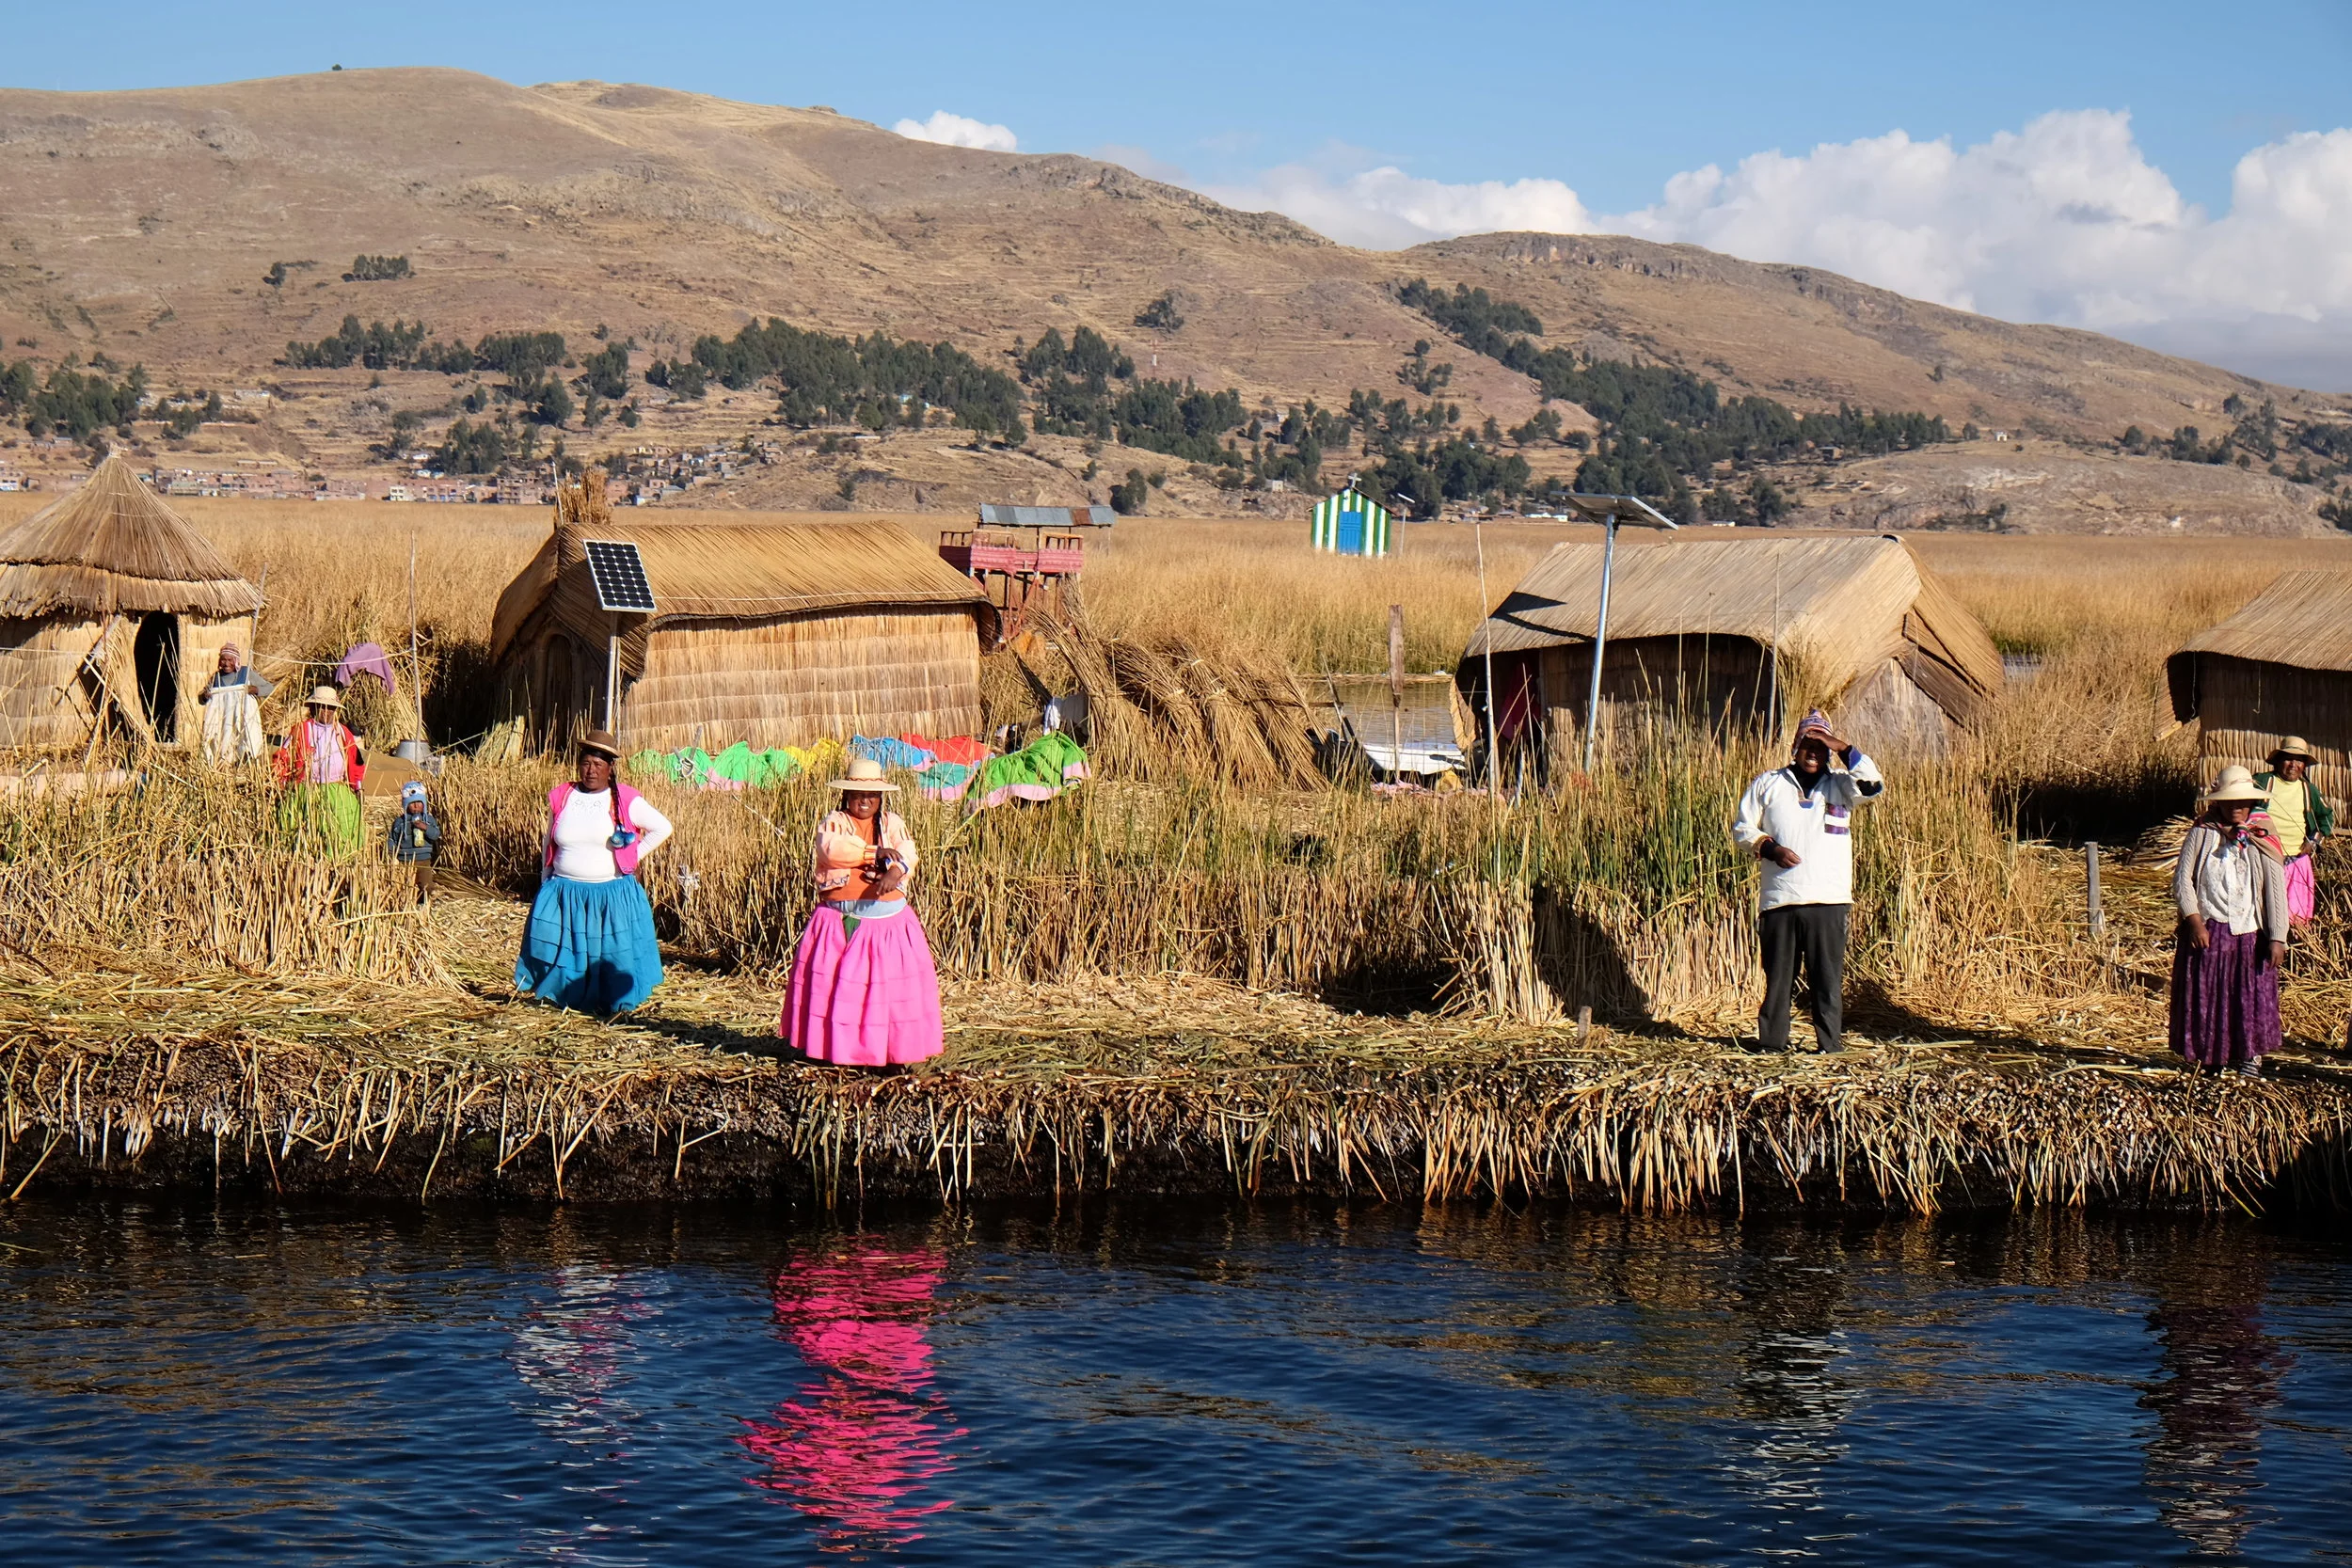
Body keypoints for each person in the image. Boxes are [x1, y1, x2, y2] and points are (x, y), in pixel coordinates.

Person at [1731, 708, 1885, 1053]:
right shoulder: (1768, 783)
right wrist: (1769, 848)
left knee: (1826, 981)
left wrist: (1842, 746)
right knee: (1779, 979)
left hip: (1828, 898)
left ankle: (1830, 1048)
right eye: (1807, 744)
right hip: (1780, 899)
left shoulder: (1843, 786)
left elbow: (1874, 785)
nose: (1813, 753)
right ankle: (1772, 1046)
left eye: (1821, 747)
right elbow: (1743, 828)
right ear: (1794, 747)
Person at [779, 757, 945, 1067]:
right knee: (840, 989)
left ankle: (891, 1054)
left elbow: (908, 851)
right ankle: (836, 1051)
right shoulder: (834, 822)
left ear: (881, 798)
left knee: (887, 994)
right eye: (856, 795)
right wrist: (874, 853)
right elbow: (831, 849)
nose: (864, 801)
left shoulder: (893, 824)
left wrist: (895, 871)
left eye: (871, 796)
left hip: (888, 925)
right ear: (846, 797)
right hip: (841, 921)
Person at [515, 730, 673, 1014]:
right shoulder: (563, 796)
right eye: (586, 763)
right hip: (564, 892)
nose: (591, 771)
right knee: (558, 948)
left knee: (611, 953)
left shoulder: (625, 799)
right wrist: (545, 878)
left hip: (609, 894)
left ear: (610, 768)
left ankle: (610, 1003)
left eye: (598, 765)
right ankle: (561, 996)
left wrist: (633, 855)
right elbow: (548, 840)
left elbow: (663, 828)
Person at [2170, 766, 2288, 1075]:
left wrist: (2278, 936)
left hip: (2250, 934)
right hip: (2210, 931)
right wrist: (2193, 920)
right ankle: (2211, 1059)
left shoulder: (2262, 833)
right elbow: (2183, 880)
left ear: (2252, 801)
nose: (2237, 807)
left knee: (2248, 996)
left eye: (2243, 801)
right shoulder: (2202, 832)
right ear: (2217, 803)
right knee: (2209, 997)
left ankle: (2249, 1056)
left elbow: (2276, 889)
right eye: (2230, 801)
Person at [272, 685, 366, 855]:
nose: (326, 712)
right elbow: (282, 757)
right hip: (307, 789)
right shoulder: (301, 730)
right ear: (313, 708)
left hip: (336, 790)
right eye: (322, 707)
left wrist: (357, 786)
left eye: (331, 708)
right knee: (303, 828)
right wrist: (282, 784)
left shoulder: (343, 732)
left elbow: (356, 761)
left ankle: (340, 864)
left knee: (344, 827)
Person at [2253, 736, 2331, 927]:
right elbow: (2239, 806)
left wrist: (2314, 840)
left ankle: (2291, 953)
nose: (2293, 765)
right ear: (2279, 761)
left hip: (2296, 860)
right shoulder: (2262, 782)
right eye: (2288, 758)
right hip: (2265, 858)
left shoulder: (2309, 791)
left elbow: (2326, 818)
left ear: (2304, 765)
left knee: (2294, 919)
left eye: (2299, 760)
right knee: (2264, 914)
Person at [198, 641, 274, 764]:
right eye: (223, 660)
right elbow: (201, 700)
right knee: (222, 744)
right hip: (222, 721)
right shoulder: (216, 678)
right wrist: (205, 696)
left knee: (244, 741)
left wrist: (256, 690)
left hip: (242, 718)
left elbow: (270, 688)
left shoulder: (245, 673)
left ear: (236, 660)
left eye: (230, 660)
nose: (226, 663)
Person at [388, 779, 444, 903]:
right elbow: (392, 838)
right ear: (405, 804)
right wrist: (392, 855)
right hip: (405, 861)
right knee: (406, 886)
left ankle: (424, 903)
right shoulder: (400, 822)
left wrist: (425, 827)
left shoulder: (429, 820)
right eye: (412, 803)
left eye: (419, 802)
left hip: (423, 860)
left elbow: (436, 835)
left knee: (426, 885)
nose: (416, 806)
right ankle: (408, 904)